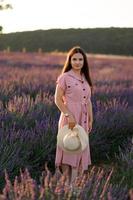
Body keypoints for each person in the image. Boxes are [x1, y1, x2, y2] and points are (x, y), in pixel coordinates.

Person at [54, 46, 93, 184]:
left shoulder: (85, 77)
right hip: (69, 119)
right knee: (69, 149)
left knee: (79, 149)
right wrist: (68, 115)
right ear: (70, 61)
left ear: (84, 61)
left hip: (82, 120)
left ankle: (74, 185)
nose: (77, 62)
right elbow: (57, 99)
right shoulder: (64, 77)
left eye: (80, 59)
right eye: (74, 59)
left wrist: (90, 119)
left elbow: (88, 101)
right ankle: (65, 184)